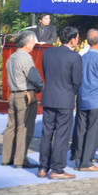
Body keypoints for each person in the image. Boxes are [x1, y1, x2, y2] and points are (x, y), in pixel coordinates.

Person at [38, 25, 82, 179]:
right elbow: (77, 81)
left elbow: (45, 73)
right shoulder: (74, 57)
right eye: (77, 38)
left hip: (49, 97)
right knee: (61, 136)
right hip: (65, 99)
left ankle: (43, 167)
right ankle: (57, 169)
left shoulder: (48, 53)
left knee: (47, 134)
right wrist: (71, 93)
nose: (77, 40)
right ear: (72, 39)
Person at [1, 30, 43, 168]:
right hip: (25, 95)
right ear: (26, 43)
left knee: (11, 127)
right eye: (33, 42)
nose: (34, 44)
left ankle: (6, 158)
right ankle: (20, 160)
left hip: (13, 94)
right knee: (24, 127)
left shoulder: (12, 56)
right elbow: (34, 77)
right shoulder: (26, 58)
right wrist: (41, 86)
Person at [72, 29, 98, 171]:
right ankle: (87, 162)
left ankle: (79, 159)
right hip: (96, 99)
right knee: (93, 132)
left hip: (82, 98)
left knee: (81, 130)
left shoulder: (80, 57)